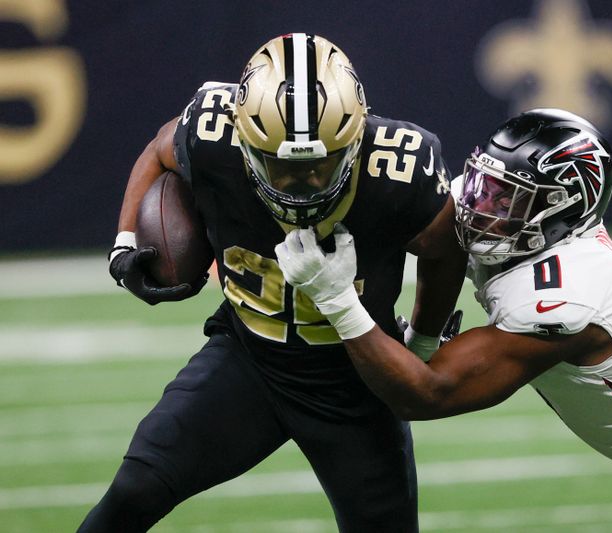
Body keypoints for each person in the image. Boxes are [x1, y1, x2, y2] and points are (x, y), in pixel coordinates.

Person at [275, 109, 612, 532]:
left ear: (563, 208)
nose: (482, 203)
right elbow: (443, 240)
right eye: (486, 184)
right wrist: (423, 334)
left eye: (506, 197)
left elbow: (426, 394)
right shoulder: (520, 225)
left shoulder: (567, 294)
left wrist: (336, 298)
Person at [78, 33, 465, 532]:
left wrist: (424, 339)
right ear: (243, 137)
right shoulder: (211, 131)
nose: (299, 183)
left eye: (320, 165)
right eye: (279, 165)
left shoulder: (401, 168)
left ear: (356, 136)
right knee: (135, 489)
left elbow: (445, 249)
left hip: (356, 381)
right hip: (247, 361)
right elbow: (159, 150)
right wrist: (125, 241)